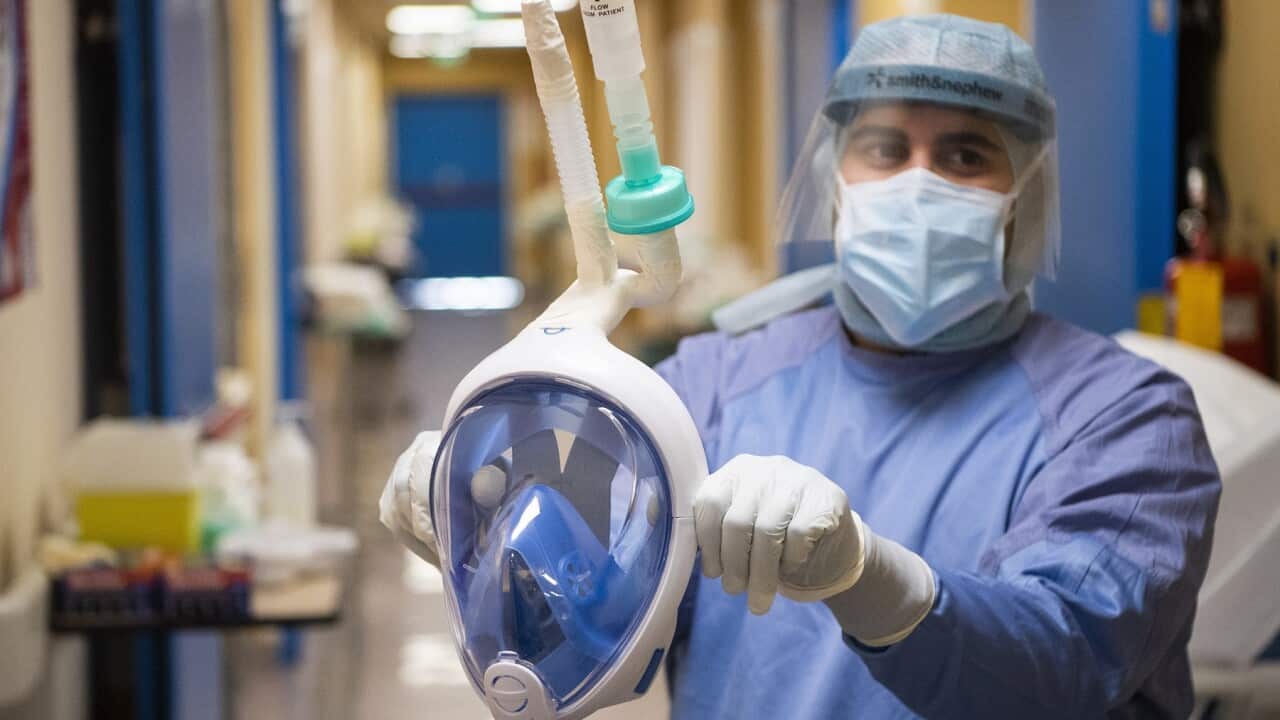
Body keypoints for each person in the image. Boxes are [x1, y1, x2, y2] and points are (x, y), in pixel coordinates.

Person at [381, 14, 1220, 719]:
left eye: (966, 156)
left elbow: (1064, 659)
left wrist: (870, 579)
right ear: (838, 176)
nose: (919, 187)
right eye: (885, 149)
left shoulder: (1129, 418)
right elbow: (586, 606)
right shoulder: (709, 384)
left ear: (1023, 196)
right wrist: (483, 535)